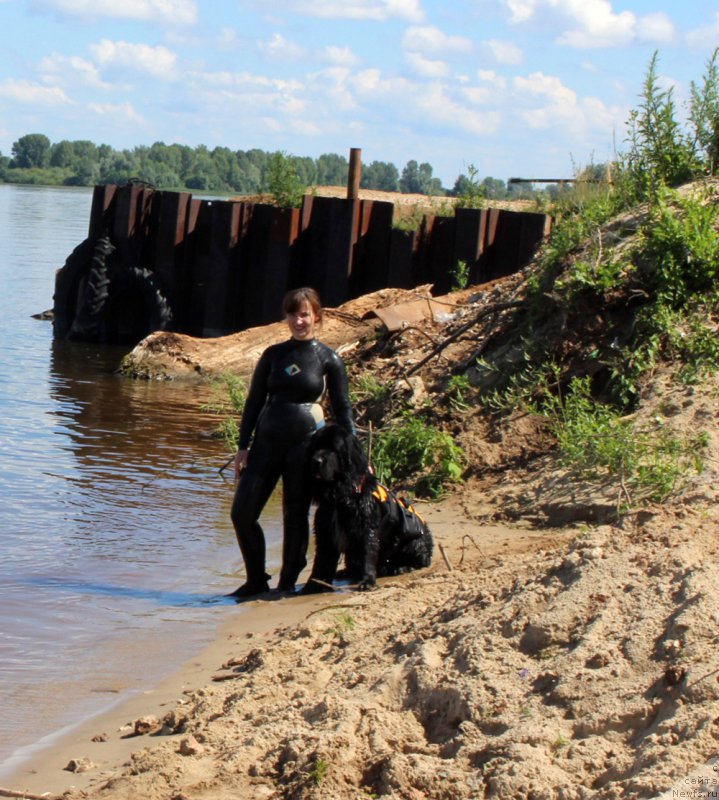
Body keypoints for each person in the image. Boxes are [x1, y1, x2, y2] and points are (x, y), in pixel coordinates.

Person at [229, 287, 355, 598]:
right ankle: (256, 580)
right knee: (242, 513)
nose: (298, 321)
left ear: (317, 317)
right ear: (285, 317)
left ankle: (287, 582)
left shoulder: (328, 359)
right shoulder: (273, 355)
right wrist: (243, 447)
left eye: (304, 314)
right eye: (292, 314)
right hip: (266, 444)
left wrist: (352, 457)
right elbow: (254, 401)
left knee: (294, 513)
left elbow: (343, 409)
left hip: (305, 446)